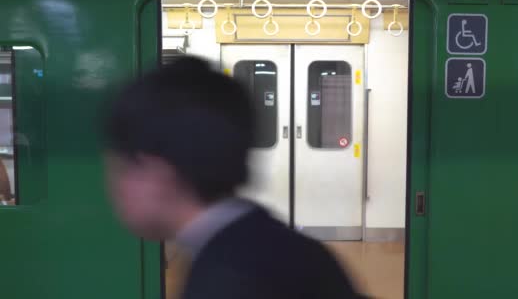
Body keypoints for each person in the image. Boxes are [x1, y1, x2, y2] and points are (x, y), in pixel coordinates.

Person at [103, 56, 364, 299]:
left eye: (122, 168)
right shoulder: (271, 244)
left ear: (158, 171)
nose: (115, 188)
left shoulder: (227, 280)